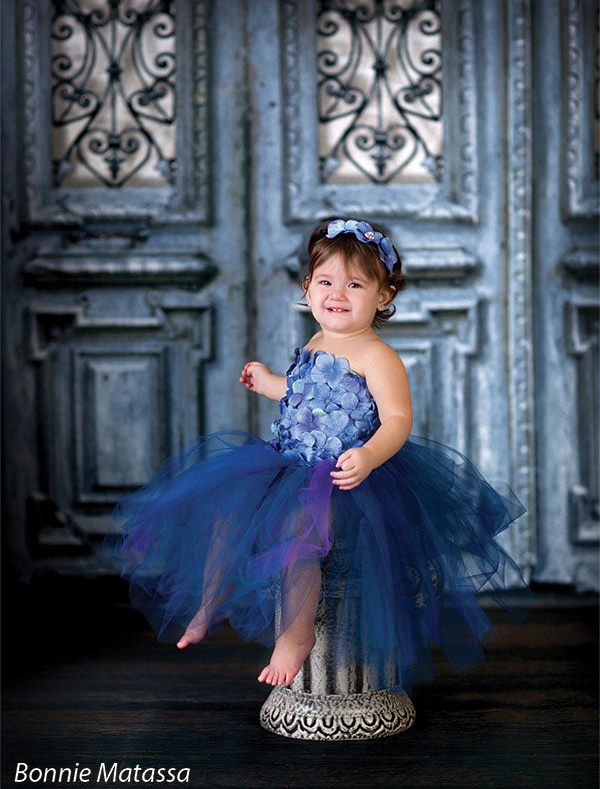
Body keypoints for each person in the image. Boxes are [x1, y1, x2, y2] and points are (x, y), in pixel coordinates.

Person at [104, 218, 533, 696]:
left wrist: (368, 457)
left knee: (296, 534)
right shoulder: (314, 344)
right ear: (307, 289)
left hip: (345, 476)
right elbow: (302, 394)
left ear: (384, 295)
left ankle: (296, 634)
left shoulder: (377, 356)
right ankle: (211, 601)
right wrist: (268, 381)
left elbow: (397, 420)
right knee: (227, 510)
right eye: (326, 281)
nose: (338, 294)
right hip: (287, 462)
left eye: (355, 284)